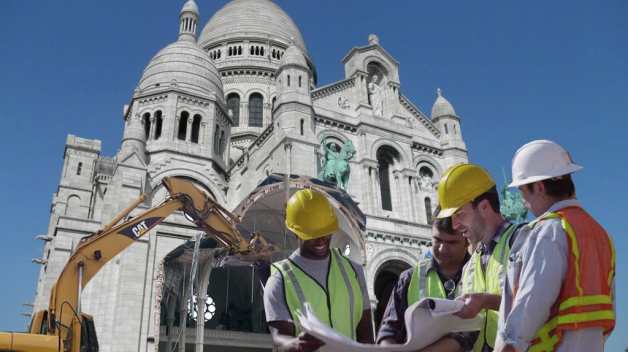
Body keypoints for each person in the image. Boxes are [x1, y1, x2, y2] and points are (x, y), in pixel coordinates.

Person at [494, 140, 615, 352]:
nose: (522, 201)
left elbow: (530, 305)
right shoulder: (600, 234)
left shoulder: (548, 230)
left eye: (523, 192)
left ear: (539, 187)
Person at [263, 189, 374, 352]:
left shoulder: (353, 271)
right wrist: (297, 344)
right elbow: (279, 339)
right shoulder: (279, 280)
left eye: (325, 231)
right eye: (313, 234)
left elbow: (365, 332)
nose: (322, 239)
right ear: (296, 232)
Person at [436, 164, 525, 352]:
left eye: (460, 214)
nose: (455, 225)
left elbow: (538, 304)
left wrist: (485, 301)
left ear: (484, 207)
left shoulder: (523, 241)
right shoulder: (471, 265)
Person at [377, 205, 476, 351]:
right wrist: (388, 345)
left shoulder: (480, 272)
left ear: (467, 238)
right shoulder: (408, 278)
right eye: (437, 240)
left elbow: (472, 332)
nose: (442, 249)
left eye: (451, 242)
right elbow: (389, 330)